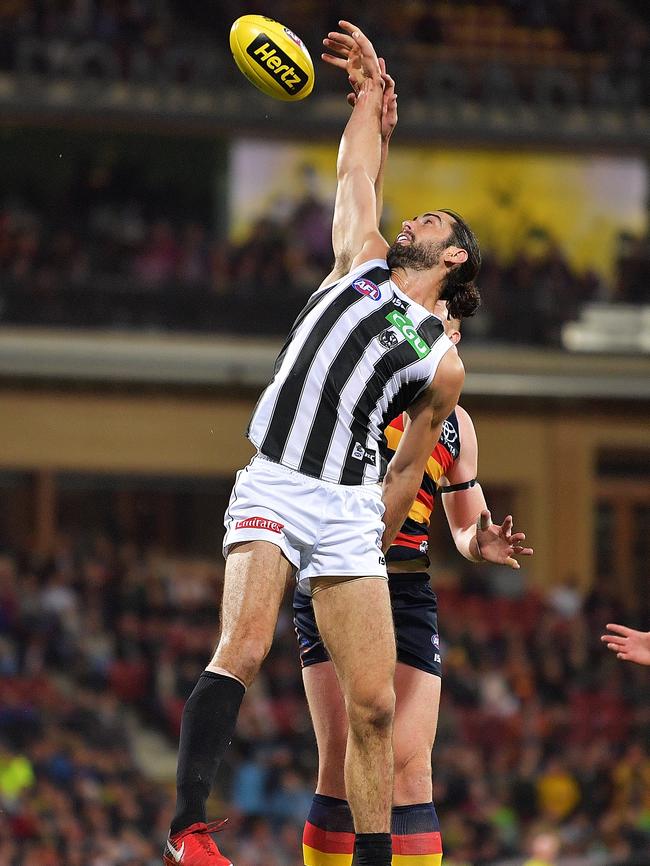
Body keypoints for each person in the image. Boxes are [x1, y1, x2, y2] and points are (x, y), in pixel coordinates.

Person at [164, 21, 479, 866]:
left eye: (435, 221)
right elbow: (354, 170)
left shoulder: (442, 365)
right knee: (244, 644)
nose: (413, 216)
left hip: (346, 507)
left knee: (373, 708)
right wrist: (372, 96)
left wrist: (372, 548)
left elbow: (410, 465)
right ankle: (186, 829)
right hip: (275, 480)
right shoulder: (359, 258)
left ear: (452, 257)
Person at [294, 302, 533, 866]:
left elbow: (464, 523)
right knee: (341, 759)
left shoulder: (458, 423)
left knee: (412, 766)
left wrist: (482, 541)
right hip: (341, 580)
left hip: (407, 590)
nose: (447, 336)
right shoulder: (363, 394)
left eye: (452, 328)